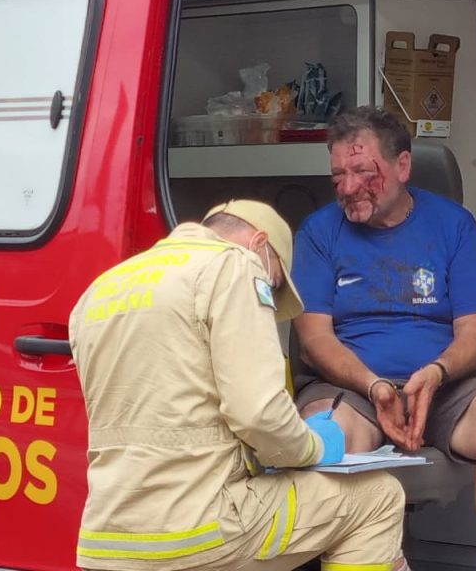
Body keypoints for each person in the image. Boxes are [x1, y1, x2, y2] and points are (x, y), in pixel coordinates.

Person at [69, 199, 408, 571]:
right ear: (259, 243)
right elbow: (259, 413)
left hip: (106, 539)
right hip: (200, 531)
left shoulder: (103, 288)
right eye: (275, 281)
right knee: (378, 497)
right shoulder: (234, 265)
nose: (269, 288)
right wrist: (312, 445)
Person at [291, 107, 476, 571]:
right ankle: (386, 562)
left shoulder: (453, 225)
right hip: (351, 387)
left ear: (402, 166)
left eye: (362, 171)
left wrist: (436, 373)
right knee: (327, 439)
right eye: (338, 175)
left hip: (445, 387)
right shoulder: (319, 232)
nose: (349, 188)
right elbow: (314, 338)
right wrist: (374, 384)